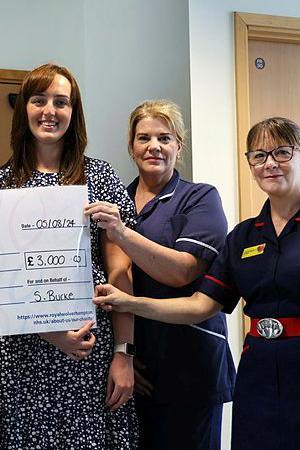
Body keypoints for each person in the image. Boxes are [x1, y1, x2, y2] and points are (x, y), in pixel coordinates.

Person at [94, 117, 300, 449]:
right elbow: (200, 306)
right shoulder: (244, 236)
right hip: (260, 374)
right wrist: (129, 302)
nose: (270, 163)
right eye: (259, 156)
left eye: (282, 152)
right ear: (250, 164)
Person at [0, 63, 138, 449]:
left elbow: (120, 271)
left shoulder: (100, 178)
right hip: (20, 356)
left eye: (61, 102)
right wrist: (48, 330)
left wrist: (124, 353)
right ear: (24, 110)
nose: (49, 110)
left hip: (88, 355)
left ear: (74, 112)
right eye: (39, 100)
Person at [85, 100, 234, 449]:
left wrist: (123, 233)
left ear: (179, 146)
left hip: (190, 365)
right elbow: (112, 273)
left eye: (164, 138)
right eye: (144, 138)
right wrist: (124, 352)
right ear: (131, 146)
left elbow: (182, 271)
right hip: (135, 365)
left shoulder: (199, 198)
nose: (154, 146)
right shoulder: (115, 200)